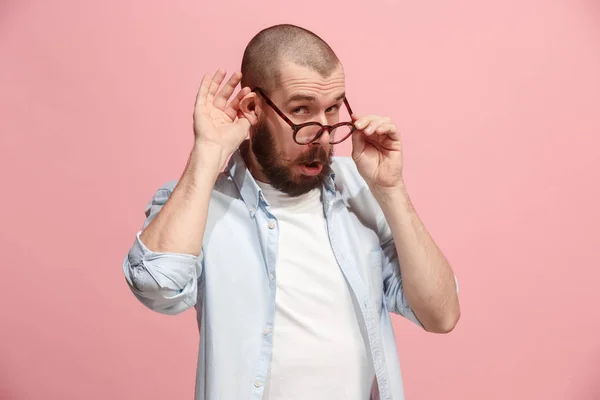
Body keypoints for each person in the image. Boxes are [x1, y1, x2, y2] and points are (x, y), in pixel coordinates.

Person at [123, 24, 460, 400]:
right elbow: (157, 288)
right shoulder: (198, 202)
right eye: (302, 110)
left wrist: (391, 191)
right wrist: (207, 155)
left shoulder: (362, 192)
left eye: (333, 109)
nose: (325, 135)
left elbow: (441, 315)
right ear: (253, 108)